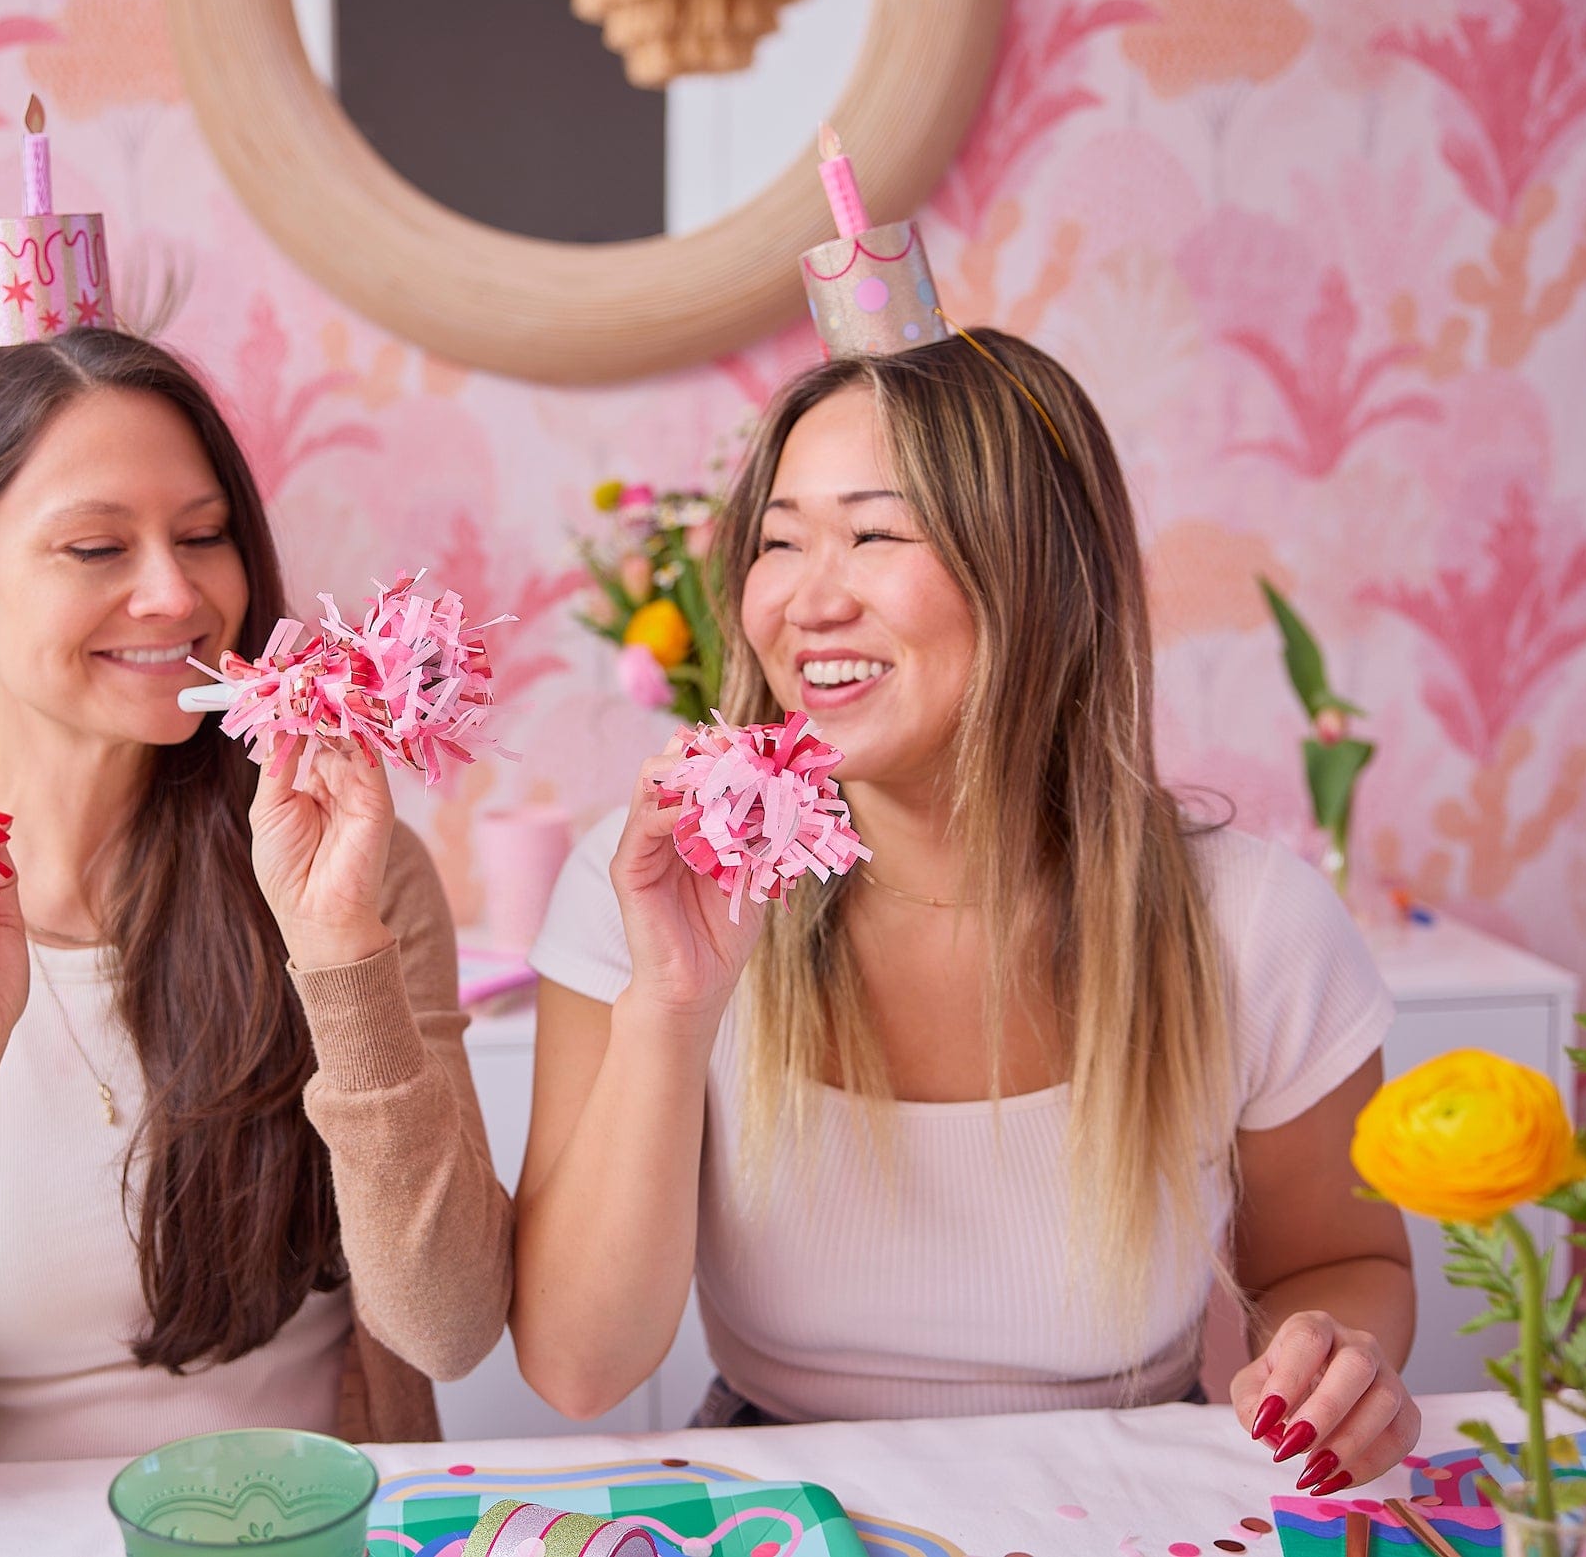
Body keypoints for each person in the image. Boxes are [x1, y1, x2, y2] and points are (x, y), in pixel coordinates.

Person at [514, 332, 1418, 1498]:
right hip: (785, 1503)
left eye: (875, 534)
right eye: (780, 541)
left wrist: (1333, 1356)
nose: (808, 599)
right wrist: (673, 1003)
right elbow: (579, 1368)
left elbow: (1340, 1259)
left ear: (1044, 573)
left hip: (1125, 1493)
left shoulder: (1252, 924)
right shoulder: (650, 884)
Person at [0, 328, 512, 1527]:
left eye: (203, 535)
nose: (177, 595)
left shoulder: (337, 863)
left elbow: (448, 1326)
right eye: (97, 546)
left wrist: (340, 956)